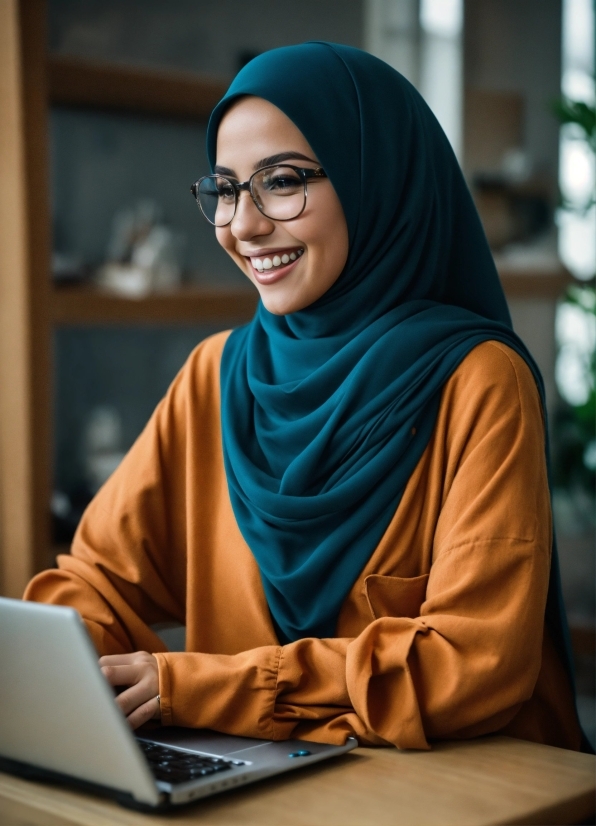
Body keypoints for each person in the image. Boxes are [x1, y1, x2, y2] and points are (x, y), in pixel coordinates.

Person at [26, 43, 584, 751]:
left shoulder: (477, 381)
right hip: (267, 784)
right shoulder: (217, 377)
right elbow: (97, 581)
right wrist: (60, 673)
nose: (244, 225)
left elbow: (473, 666)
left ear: (374, 178)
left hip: (464, 791)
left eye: (282, 181)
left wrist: (204, 687)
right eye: (224, 189)